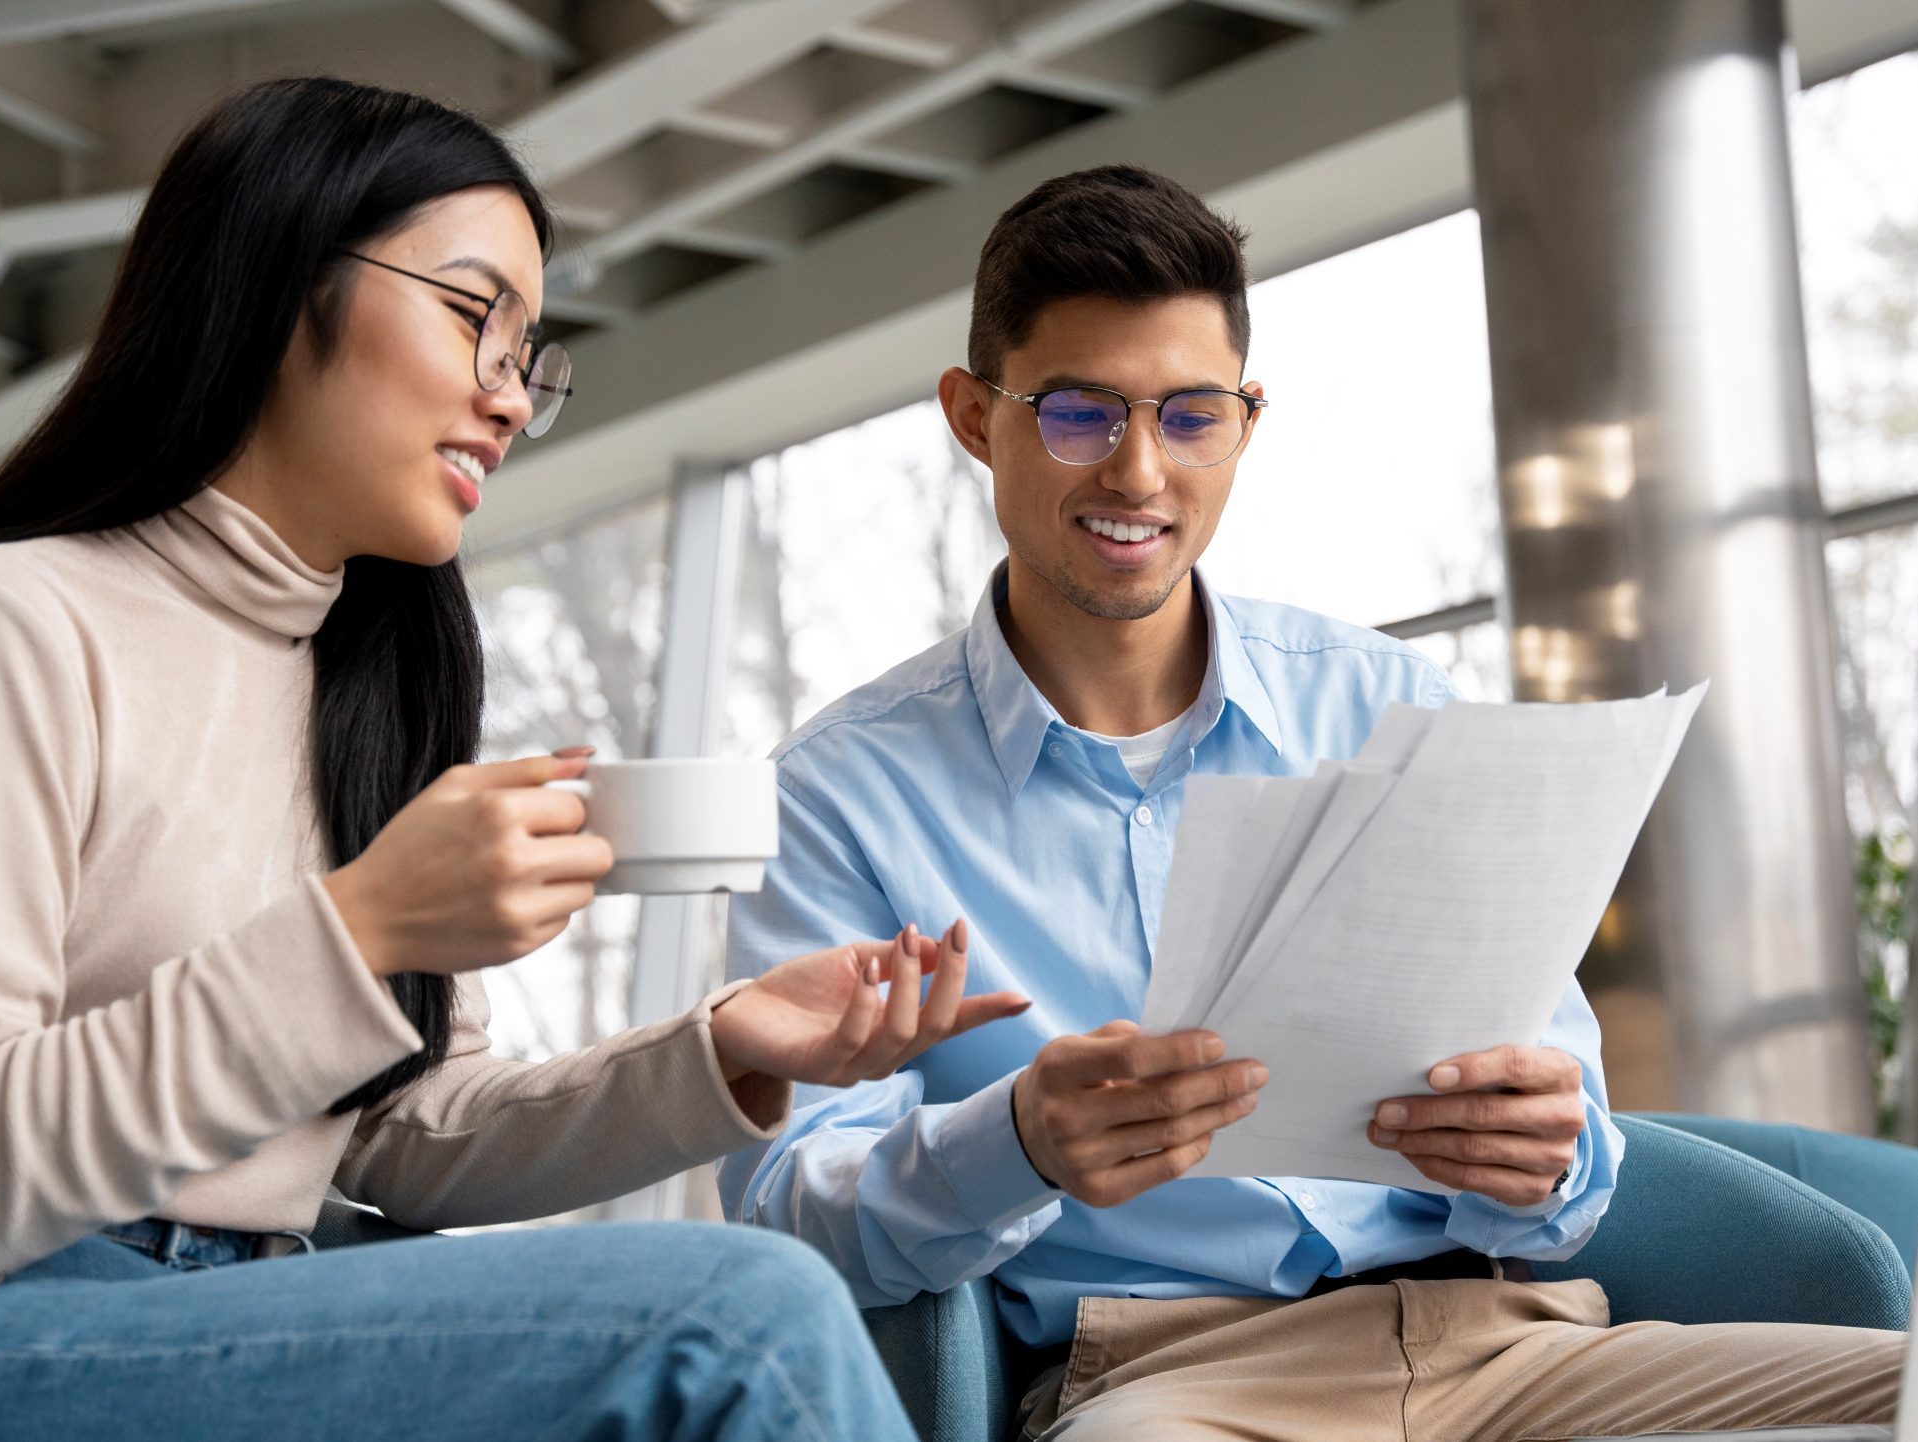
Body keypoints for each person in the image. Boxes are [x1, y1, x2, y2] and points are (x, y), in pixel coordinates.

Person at [0, 77, 1028, 1442]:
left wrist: (716, 1051)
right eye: (472, 319)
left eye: (529, 356)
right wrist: (368, 921)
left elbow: (399, 1132)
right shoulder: (2, 621)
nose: (508, 398)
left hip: (216, 1307)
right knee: (736, 1318)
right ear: (283, 278)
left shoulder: (369, 686)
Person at [720, 164, 1901, 1441]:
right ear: (971, 415)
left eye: (1189, 415)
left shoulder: (1391, 700)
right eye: (1077, 412)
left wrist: (1544, 1153)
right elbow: (788, 1199)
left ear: (1245, 419)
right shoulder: (840, 794)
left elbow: (1569, 1142)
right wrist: (1012, 1140)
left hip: (1507, 1345)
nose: (1137, 471)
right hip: (1164, 1380)